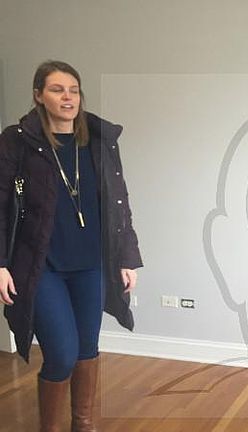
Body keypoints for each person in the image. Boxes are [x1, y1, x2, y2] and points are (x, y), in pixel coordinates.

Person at [0, 60, 143, 432]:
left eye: (73, 90)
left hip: (92, 265)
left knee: (86, 349)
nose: (67, 97)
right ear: (38, 96)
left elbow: (119, 202)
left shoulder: (98, 140)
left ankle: (83, 424)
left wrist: (126, 257)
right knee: (62, 354)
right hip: (41, 266)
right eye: (57, 89)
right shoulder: (18, 141)